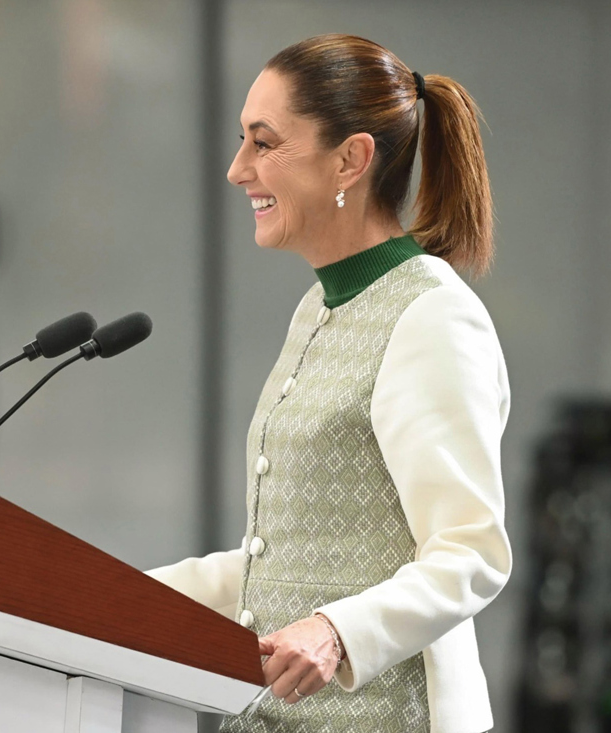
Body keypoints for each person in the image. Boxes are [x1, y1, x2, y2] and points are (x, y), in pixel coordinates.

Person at [146, 34, 511, 733]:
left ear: (350, 159)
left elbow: (472, 552)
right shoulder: (319, 306)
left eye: (264, 143)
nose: (237, 169)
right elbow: (287, 561)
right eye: (242, 141)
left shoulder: (432, 315)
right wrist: (106, 595)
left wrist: (338, 630)